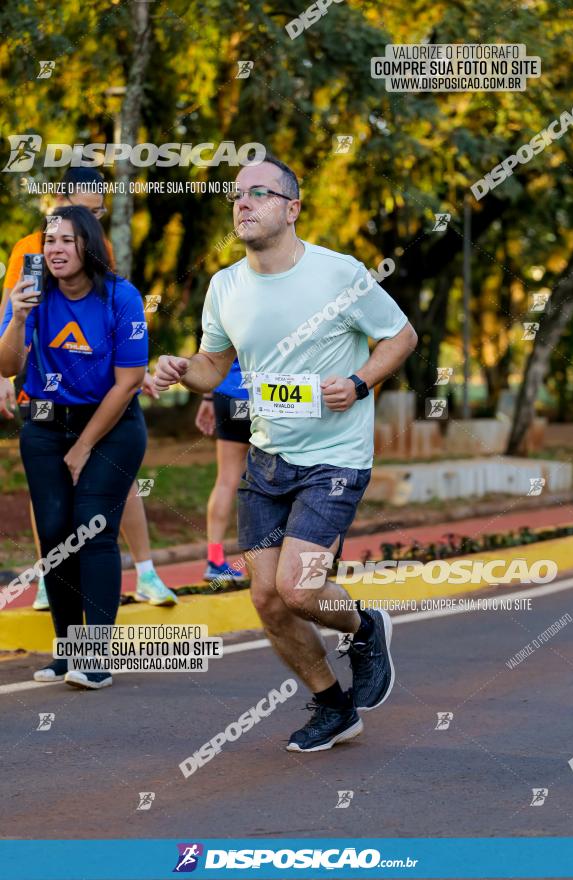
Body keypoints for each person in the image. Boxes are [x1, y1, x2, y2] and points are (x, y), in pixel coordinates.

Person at [154, 156, 418, 751]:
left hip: (335, 457)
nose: (242, 203)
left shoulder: (338, 274)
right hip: (268, 459)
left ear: (292, 207)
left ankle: (365, 628)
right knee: (269, 601)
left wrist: (358, 383)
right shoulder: (225, 286)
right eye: (236, 196)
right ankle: (332, 706)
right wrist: (179, 369)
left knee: (300, 589)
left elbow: (401, 336)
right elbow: (214, 366)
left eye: (258, 194)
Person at [0, 167, 176, 608]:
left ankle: (146, 572)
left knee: (106, 502)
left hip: (105, 401)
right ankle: (49, 580)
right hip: (46, 401)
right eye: (81, 209)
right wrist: (4, 374)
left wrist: (136, 374)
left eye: (97, 213)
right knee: (55, 513)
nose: (89, 221)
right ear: (56, 200)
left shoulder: (98, 253)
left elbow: (112, 320)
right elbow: (10, 326)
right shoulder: (30, 252)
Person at [0, 206, 149, 689]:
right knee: (56, 534)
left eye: (67, 240)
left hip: (111, 427)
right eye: (49, 241)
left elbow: (129, 382)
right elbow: (7, 366)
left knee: (94, 528)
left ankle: (96, 658)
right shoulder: (31, 294)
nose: (55, 249)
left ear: (88, 245)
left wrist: (84, 445)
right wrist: (18, 318)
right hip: (44, 425)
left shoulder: (120, 297)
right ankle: (67, 653)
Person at [195, 356, 251, 582]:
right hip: (261, 397)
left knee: (226, 480)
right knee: (273, 478)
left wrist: (208, 398)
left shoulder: (225, 317)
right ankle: (273, 560)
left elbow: (210, 356)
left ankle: (215, 560)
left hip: (225, 394)